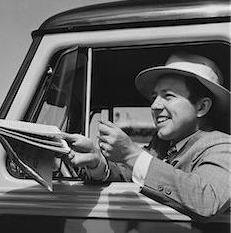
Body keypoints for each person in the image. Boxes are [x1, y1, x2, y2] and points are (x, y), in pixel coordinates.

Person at [64, 52, 230, 221]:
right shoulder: (162, 145)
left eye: (168, 96)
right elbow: (128, 173)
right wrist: (96, 162)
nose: (155, 105)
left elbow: (208, 200)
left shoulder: (223, 147)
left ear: (202, 107)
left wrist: (132, 154)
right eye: (154, 97)